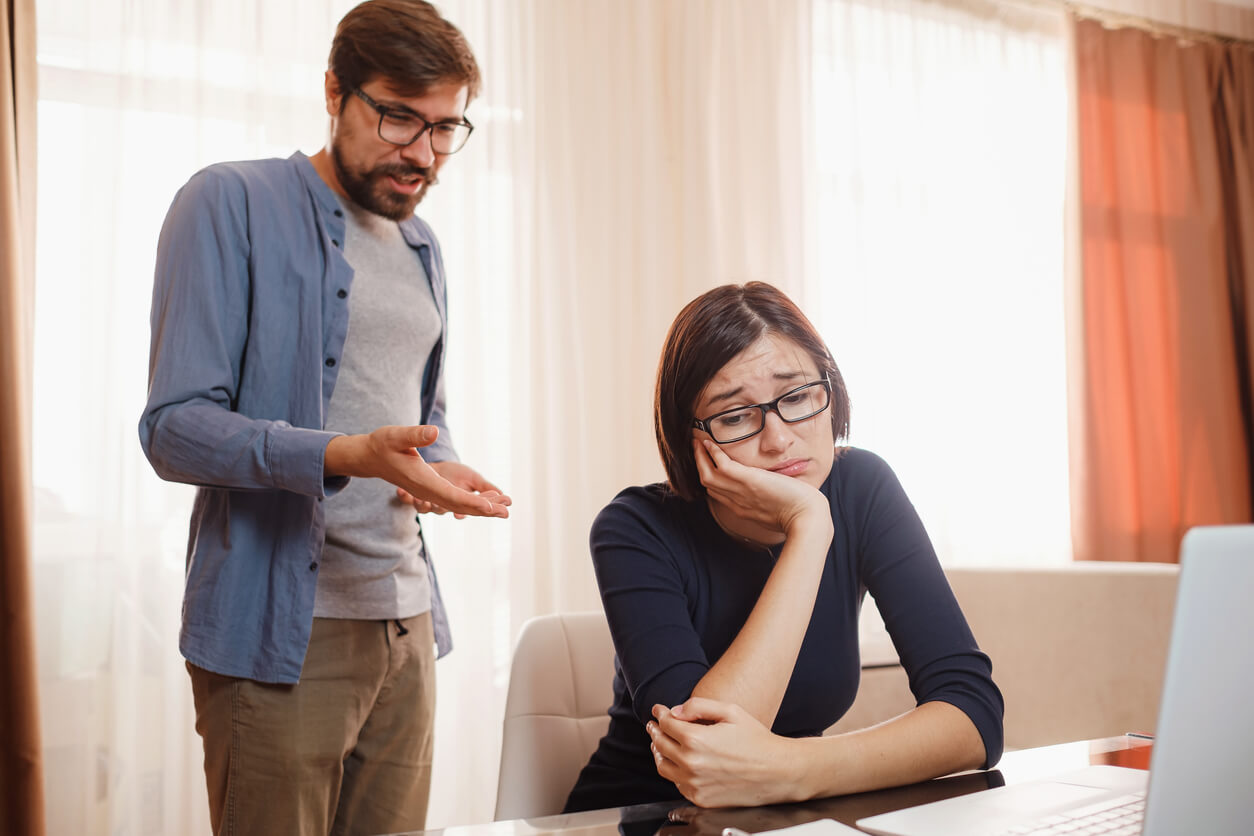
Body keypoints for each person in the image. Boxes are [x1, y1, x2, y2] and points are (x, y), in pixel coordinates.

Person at [138, 2, 507, 833]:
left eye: (445, 128)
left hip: (406, 625)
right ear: (335, 92)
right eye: (398, 117)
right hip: (282, 635)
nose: (423, 153)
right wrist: (344, 453)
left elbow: (420, 410)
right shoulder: (228, 202)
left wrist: (437, 463)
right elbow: (173, 426)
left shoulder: (423, 246)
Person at [564, 282, 1003, 812]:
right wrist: (808, 527)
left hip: (788, 815)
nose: (778, 439)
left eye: (796, 397)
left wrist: (794, 770)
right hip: (644, 819)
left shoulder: (863, 488)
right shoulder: (634, 527)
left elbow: (975, 716)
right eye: (734, 417)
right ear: (690, 439)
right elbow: (703, 758)